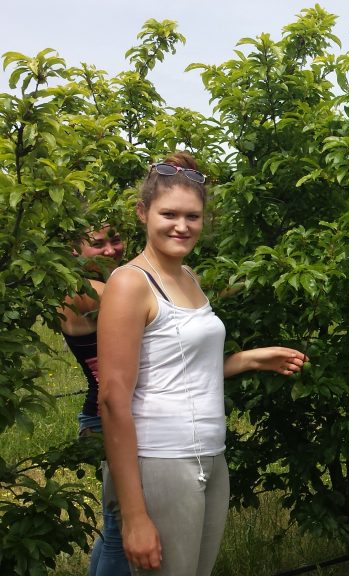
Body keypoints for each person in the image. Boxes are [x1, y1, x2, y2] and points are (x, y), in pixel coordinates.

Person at [97, 152, 308, 575]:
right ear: (143, 212)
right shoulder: (129, 283)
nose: (182, 225)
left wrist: (248, 359)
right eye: (169, 213)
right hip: (162, 460)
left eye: (192, 216)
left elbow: (180, 369)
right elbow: (112, 400)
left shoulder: (187, 275)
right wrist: (135, 517)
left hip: (211, 454)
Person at [59, 224, 130, 576]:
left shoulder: (79, 288)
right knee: (123, 529)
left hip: (100, 416)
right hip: (109, 418)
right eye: (97, 244)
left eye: (115, 240)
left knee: (116, 523)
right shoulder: (95, 293)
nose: (110, 250)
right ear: (74, 251)